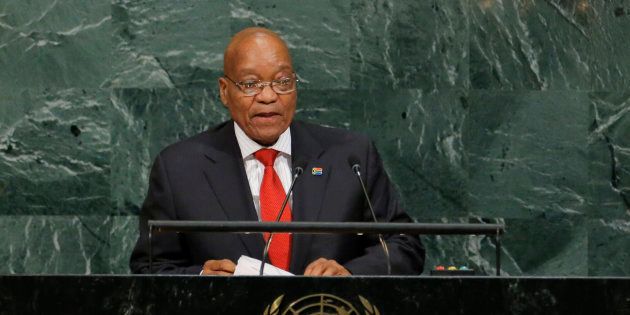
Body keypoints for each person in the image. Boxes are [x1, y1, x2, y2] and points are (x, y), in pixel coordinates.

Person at [129, 27, 424, 276]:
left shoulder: (350, 156)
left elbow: (404, 245)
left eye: (282, 82)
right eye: (250, 84)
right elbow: (150, 267)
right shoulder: (180, 168)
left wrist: (350, 274)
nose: (269, 97)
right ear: (223, 90)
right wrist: (202, 277)